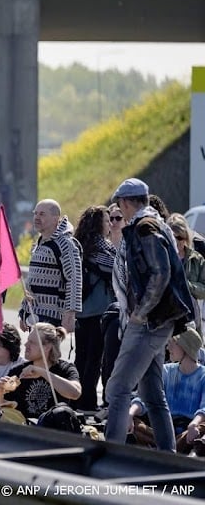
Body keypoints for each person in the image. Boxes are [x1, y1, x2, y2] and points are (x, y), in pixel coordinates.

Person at [105, 178, 195, 450]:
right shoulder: (157, 223)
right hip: (160, 321)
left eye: (119, 207)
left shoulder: (145, 228)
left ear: (125, 203)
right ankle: (168, 455)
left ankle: (111, 456)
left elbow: (161, 272)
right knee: (153, 395)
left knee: (117, 389)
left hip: (149, 322)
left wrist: (140, 313)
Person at [128, 329, 205, 454]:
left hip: (189, 431)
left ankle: (160, 448)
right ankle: (173, 448)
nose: (168, 347)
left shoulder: (203, 376)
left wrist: (194, 424)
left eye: (172, 343)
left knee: (202, 429)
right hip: (162, 430)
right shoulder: (166, 371)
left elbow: (204, 408)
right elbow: (144, 398)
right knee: (124, 417)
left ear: (184, 347)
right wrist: (130, 414)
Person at [72, 204, 116, 410]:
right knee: (95, 358)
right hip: (101, 310)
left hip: (81, 309)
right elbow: (118, 271)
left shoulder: (78, 245)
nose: (110, 225)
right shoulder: (105, 248)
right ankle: (89, 400)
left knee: (81, 357)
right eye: (107, 220)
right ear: (99, 224)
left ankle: (77, 397)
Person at [20, 199, 82, 333]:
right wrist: (24, 312)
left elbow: (74, 280)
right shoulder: (38, 243)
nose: (36, 217)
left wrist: (70, 314)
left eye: (42, 214)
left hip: (53, 317)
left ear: (55, 219)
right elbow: (32, 281)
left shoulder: (66, 245)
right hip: (35, 315)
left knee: (47, 353)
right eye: (35, 213)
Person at [0, 323, 80, 421]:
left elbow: (75, 393)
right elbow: (5, 408)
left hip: (54, 428)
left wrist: (42, 372)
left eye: (32, 342)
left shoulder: (64, 369)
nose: (26, 344)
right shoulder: (18, 371)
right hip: (25, 429)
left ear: (47, 347)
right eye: (28, 340)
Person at [169, 214, 205, 330]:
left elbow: (203, 290)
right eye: (173, 237)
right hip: (168, 318)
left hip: (192, 319)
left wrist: (186, 285)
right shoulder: (162, 258)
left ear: (186, 238)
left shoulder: (197, 259)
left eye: (180, 238)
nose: (177, 241)